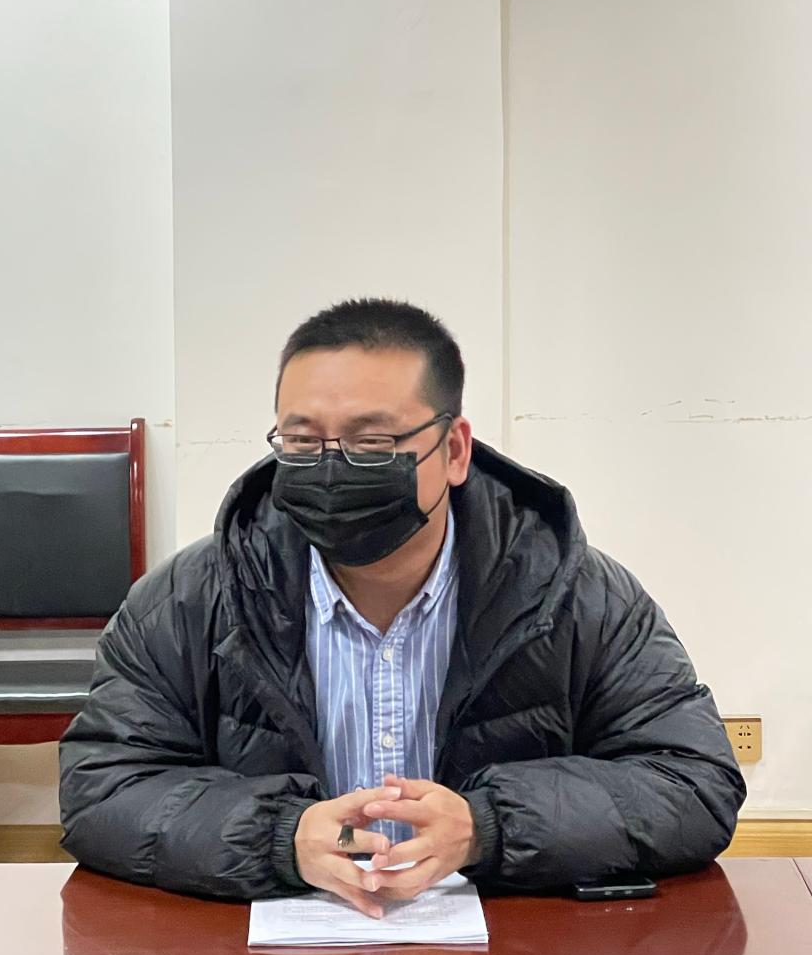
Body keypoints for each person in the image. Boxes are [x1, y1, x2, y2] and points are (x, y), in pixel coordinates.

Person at [59, 298, 744, 911]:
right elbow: (102, 788)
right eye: (302, 442)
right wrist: (279, 836)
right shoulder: (188, 600)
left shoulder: (576, 595)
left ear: (454, 450)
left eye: (373, 443)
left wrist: (487, 827)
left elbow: (692, 781)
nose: (332, 469)